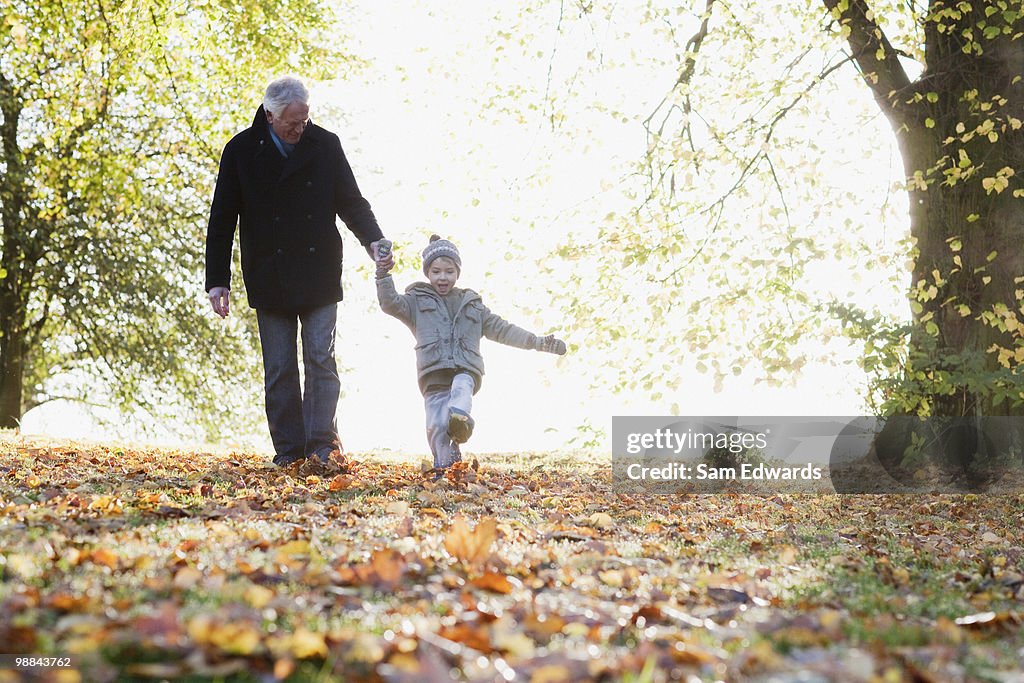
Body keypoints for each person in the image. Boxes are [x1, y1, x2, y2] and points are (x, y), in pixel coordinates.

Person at [205, 75, 394, 466]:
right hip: (268, 271)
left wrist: (373, 240)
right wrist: (217, 281)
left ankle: (322, 446)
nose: (300, 128)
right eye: (293, 121)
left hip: (319, 268)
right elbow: (222, 219)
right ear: (270, 115)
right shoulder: (240, 151)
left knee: (321, 359)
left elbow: (351, 202)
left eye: (305, 120)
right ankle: (290, 452)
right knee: (279, 368)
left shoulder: (325, 145)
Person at [375, 235, 566, 476]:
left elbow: (503, 329)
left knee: (461, 387)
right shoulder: (416, 301)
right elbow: (389, 303)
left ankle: (460, 418)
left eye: (449, 271)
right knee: (436, 426)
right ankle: (446, 467)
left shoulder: (472, 304)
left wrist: (537, 342)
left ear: (457, 273)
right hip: (433, 373)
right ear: (428, 273)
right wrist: (382, 273)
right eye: (436, 271)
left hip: (464, 369)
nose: (442, 277)